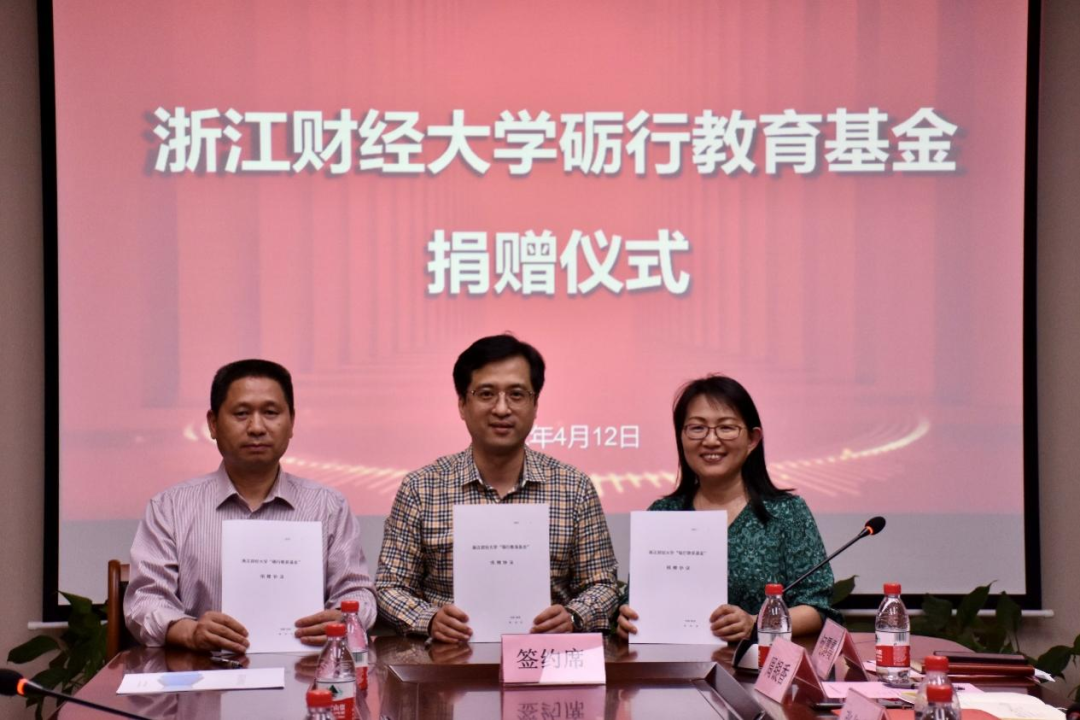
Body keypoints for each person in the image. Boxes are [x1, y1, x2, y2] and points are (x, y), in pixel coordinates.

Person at [376, 334, 620, 642]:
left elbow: (603, 584)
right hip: (447, 660)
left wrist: (573, 616)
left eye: (516, 394)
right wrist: (430, 620)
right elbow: (390, 587)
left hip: (548, 658)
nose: (502, 409)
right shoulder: (421, 488)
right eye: (486, 394)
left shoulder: (574, 488)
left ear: (535, 404)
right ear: (462, 404)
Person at [124, 359, 377, 652]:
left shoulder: (329, 507)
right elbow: (145, 601)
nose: (256, 427)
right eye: (241, 413)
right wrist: (189, 632)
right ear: (213, 423)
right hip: (203, 670)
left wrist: (344, 620)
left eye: (270, 413)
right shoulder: (169, 508)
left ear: (292, 422)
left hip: (308, 671)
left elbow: (359, 594)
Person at [616, 375, 840, 642]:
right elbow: (635, 601)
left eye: (726, 428)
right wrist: (626, 618)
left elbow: (817, 608)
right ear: (681, 437)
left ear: (752, 439)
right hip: (674, 664)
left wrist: (756, 623)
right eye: (697, 428)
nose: (711, 440)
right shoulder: (662, 513)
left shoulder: (787, 513)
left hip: (761, 663)